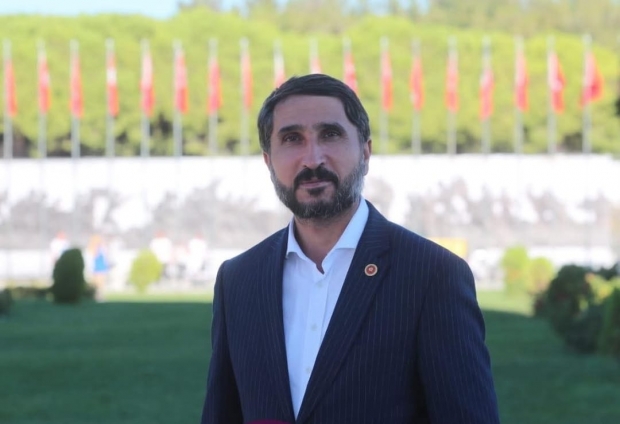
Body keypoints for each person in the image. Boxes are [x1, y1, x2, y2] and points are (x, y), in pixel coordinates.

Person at [201, 74, 500, 424]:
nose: (312, 159)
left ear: (365, 152)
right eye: (292, 138)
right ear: (268, 161)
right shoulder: (238, 280)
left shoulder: (432, 275)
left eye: (330, 134)